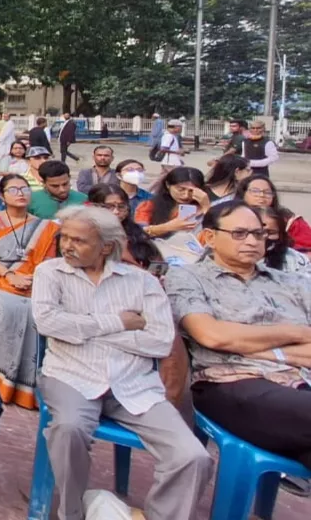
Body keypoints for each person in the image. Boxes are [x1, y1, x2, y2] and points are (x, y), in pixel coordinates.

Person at [34, 206, 212, 520]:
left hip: (134, 384)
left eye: (79, 240)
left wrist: (84, 329)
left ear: (105, 246)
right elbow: (48, 323)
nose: (68, 246)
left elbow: (158, 341)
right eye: (65, 238)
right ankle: (70, 513)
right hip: (71, 374)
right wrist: (118, 322)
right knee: (68, 429)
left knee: (193, 456)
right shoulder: (50, 273)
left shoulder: (142, 283)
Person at [167, 202, 311, 471]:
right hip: (229, 383)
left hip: (299, 384)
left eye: (259, 234)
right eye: (239, 233)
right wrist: (297, 332)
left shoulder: (293, 283)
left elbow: (228, 338)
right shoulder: (187, 278)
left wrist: (260, 347)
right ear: (210, 237)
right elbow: (213, 336)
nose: (252, 241)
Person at [0, 175, 59, 409]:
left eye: (24, 189)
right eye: (13, 190)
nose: (20, 193)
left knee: (36, 311)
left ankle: (26, 389)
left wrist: (32, 279)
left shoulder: (47, 228)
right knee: (6, 308)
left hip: (33, 281)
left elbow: (48, 262)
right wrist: (8, 275)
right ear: (2, 196)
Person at [87, 184, 163, 268]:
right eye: (108, 207)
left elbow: (157, 264)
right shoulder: (84, 234)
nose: (116, 212)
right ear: (93, 207)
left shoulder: (136, 234)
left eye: (121, 207)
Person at [238, 175, 311, 253]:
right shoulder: (231, 217)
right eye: (255, 191)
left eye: (267, 192)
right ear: (243, 193)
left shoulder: (291, 221)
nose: (262, 195)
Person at [135, 166, 210, 242]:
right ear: (168, 185)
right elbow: (139, 231)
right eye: (181, 189)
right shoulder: (150, 205)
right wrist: (168, 227)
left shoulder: (201, 209)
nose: (186, 195)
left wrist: (206, 206)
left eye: (191, 191)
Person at [256, 206, 311, 275]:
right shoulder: (241, 259)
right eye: (259, 232)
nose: (265, 236)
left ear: (281, 234)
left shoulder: (297, 260)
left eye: (271, 232)